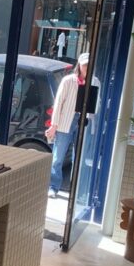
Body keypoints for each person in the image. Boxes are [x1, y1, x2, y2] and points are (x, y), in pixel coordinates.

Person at [44, 53, 98, 199]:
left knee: (79, 158)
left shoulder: (95, 81)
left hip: (84, 121)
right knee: (58, 157)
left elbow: (96, 104)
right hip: (66, 121)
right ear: (79, 65)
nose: (87, 68)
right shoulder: (68, 80)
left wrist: (93, 126)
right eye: (85, 65)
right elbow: (58, 103)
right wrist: (54, 125)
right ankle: (53, 186)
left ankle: (76, 190)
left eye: (89, 65)